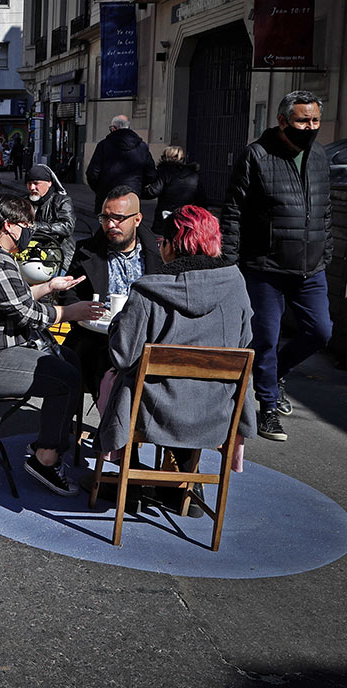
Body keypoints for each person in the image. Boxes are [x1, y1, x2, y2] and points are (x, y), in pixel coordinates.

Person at [0, 194, 104, 496]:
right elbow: (26, 314)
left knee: (69, 358)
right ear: (8, 225)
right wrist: (69, 312)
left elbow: (14, 299)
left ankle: (49, 440)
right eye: (27, 224)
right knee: (65, 378)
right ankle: (45, 459)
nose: (31, 230)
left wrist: (48, 287)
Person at [98, 205, 255, 501]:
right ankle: (185, 480)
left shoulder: (148, 291)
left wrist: (118, 322)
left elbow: (122, 356)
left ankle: (128, 478)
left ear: (172, 245)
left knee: (111, 376)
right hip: (215, 412)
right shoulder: (236, 285)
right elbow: (244, 343)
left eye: (162, 242)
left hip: (152, 415)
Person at [220, 90, 333, 443]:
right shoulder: (256, 155)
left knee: (320, 331)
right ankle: (268, 406)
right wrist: (229, 261)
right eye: (302, 120)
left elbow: (325, 209)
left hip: (311, 267)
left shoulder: (319, 158)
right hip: (264, 265)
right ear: (283, 121)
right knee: (265, 338)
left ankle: (274, 374)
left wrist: (325, 250)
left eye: (314, 120)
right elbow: (233, 212)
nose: (310, 127)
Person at [60, 186, 163, 398]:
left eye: (118, 218)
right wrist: (80, 310)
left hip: (147, 339)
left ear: (137, 219)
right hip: (99, 339)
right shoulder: (87, 251)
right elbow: (69, 293)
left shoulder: (158, 254)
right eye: (105, 218)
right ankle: (111, 421)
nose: (110, 225)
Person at [85, 115, 157, 215]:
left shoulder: (103, 145)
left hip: (107, 195)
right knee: (130, 225)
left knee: (107, 225)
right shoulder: (142, 147)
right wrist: (137, 185)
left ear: (113, 128)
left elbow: (92, 173)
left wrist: (100, 189)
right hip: (132, 194)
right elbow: (151, 174)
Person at [143, 145, 207, 235]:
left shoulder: (165, 172)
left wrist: (138, 191)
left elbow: (153, 191)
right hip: (186, 218)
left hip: (165, 217)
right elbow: (201, 199)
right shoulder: (193, 174)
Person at [25, 163, 77, 271]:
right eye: (29, 183)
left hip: (58, 254)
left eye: (36, 183)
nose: (32, 187)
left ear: (49, 183)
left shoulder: (61, 201)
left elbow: (67, 226)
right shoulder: (24, 201)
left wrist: (36, 226)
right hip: (29, 253)